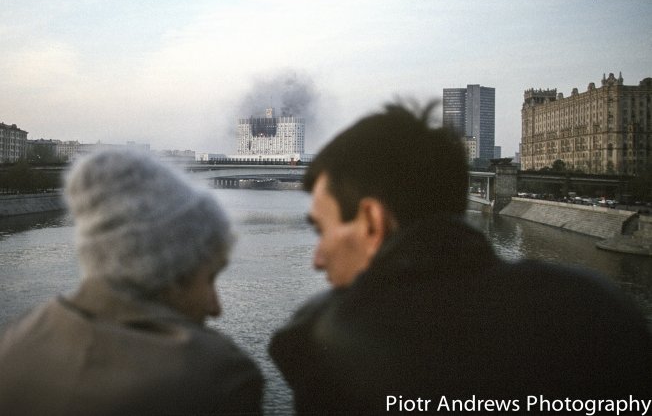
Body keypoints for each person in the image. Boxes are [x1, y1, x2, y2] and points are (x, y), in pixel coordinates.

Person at [269, 102, 652, 415]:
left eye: (321, 230)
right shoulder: (598, 308)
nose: (317, 260)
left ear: (372, 223)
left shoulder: (330, 349)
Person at [0, 148, 263, 415]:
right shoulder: (217, 375)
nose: (216, 307)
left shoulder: (15, 340)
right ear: (168, 271)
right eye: (210, 278)